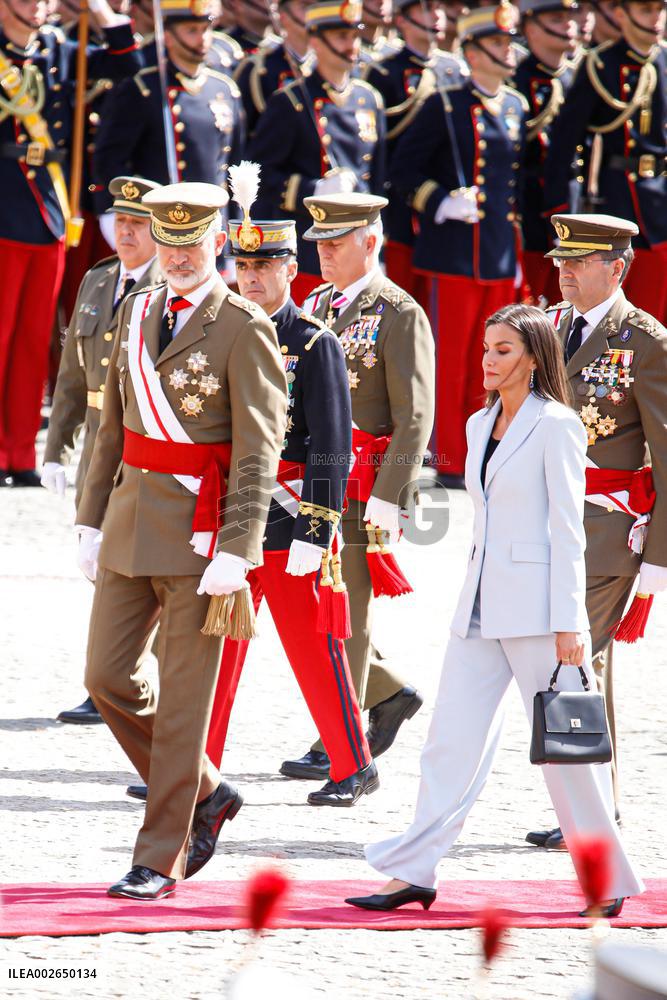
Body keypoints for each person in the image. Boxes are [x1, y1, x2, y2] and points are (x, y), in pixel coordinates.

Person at [346, 302, 645, 916]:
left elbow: (568, 529)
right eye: (486, 348)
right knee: (448, 742)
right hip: (480, 605)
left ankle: (606, 878)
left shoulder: (558, 424)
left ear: (535, 358)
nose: (488, 359)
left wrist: (570, 624)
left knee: (566, 755)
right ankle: (414, 871)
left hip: (540, 614)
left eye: (503, 350)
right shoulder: (480, 425)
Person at [75, 182, 287, 899]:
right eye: (167, 243)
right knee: (104, 679)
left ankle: (158, 856)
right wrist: (88, 516)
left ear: (218, 243)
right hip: (131, 524)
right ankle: (208, 789)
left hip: (203, 540)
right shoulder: (134, 311)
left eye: (192, 242)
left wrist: (240, 544)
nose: (178, 257)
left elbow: (259, 447)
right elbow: (112, 430)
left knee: (186, 704)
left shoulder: (242, 324)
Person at [204, 163, 377, 807]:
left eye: (264, 268)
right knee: (216, 642)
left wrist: (319, 525)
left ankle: (352, 762)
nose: (251, 278)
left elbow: (333, 441)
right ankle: (197, 766)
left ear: (288, 272)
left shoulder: (313, 341)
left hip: (290, 511)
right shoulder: (223, 331)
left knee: (314, 646)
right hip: (235, 509)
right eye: (243, 268)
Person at [280, 193, 435, 781]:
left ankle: (339, 739)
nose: (323, 252)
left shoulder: (398, 311)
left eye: (336, 242)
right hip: (313, 475)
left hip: (363, 485)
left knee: (348, 609)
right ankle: (384, 695)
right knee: (314, 604)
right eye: (318, 241)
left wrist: (391, 494)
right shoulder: (315, 302)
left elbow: (415, 413)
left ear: (370, 243)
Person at [526, 213, 667, 851]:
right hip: (540, 524)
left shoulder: (646, 341)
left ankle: (593, 807)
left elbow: (664, 454)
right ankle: (590, 801)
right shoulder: (549, 326)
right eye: (561, 260)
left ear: (617, 268)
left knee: (578, 655)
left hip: (606, 531)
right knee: (564, 658)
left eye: (578, 263)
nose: (563, 272)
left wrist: (660, 558)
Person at [0, 0, 141, 487]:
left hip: (49, 209)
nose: (38, 5)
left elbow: (129, 65)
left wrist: (99, 9)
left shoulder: (59, 48)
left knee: (34, 339)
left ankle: (19, 452)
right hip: (3, 202)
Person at [389, 2, 527, 487]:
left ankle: (486, 449)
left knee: (496, 359)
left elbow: (515, 186)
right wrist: (440, 202)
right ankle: (448, 455)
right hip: (452, 252)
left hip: (496, 250)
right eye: (497, 43)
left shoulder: (514, 105)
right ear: (472, 50)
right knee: (451, 359)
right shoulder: (444, 104)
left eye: (510, 43)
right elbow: (402, 171)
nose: (507, 51)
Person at [41, 175, 162, 726]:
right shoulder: (98, 279)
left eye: (139, 224)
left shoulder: (168, 289)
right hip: (98, 442)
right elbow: (72, 373)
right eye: (121, 222)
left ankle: (121, 677)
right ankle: (113, 675)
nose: (127, 232)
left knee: (136, 566)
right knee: (103, 561)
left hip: (143, 445)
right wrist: (54, 448)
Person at [247, 0, 386, 305]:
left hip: (360, 248)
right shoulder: (291, 101)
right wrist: (313, 189)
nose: (351, 46)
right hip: (312, 251)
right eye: (340, 37)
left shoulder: (369, 99)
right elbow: (260, 175)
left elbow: (377, 177)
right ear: (315, 40)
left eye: (353, 36)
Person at [544, 0, 667, 323]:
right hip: (620, 199)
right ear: (621, 15)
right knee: (632, 316)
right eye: (645, 11)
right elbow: (564, 144)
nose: (655, 19)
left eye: (659, 10)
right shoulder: (601, 65)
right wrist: (561, 213)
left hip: (662, 195)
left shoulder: (664, 60)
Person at [91, 0, 244, 236]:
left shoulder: (224, 88)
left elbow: (233, 167)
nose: (201, 38)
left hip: (212, 224)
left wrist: (237, 227)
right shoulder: (143, 89)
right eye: (191, 31)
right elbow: (109, 162)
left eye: (205, 29)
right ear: (168, 36)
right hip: (157, 223)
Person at [362, 0, 467, 302]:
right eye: (425, 9)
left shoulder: (454, 70)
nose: (436, 15)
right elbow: (379, 147)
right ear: (402, 20)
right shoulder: (384, 71)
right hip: (400, 200)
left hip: (445, 201)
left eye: (438, 8)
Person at [513, 0, 578, 305]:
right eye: (556, 18)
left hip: (571, 203)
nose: (568, 25)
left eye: (569, 17)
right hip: (531, 213)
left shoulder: (576, 77)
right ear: (530, 26)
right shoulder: (516, 81)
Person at [233, 0, 313, 140]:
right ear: (282, 15)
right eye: (304, 6)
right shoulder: (259, 70)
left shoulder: (335, 69)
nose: (313, 14)